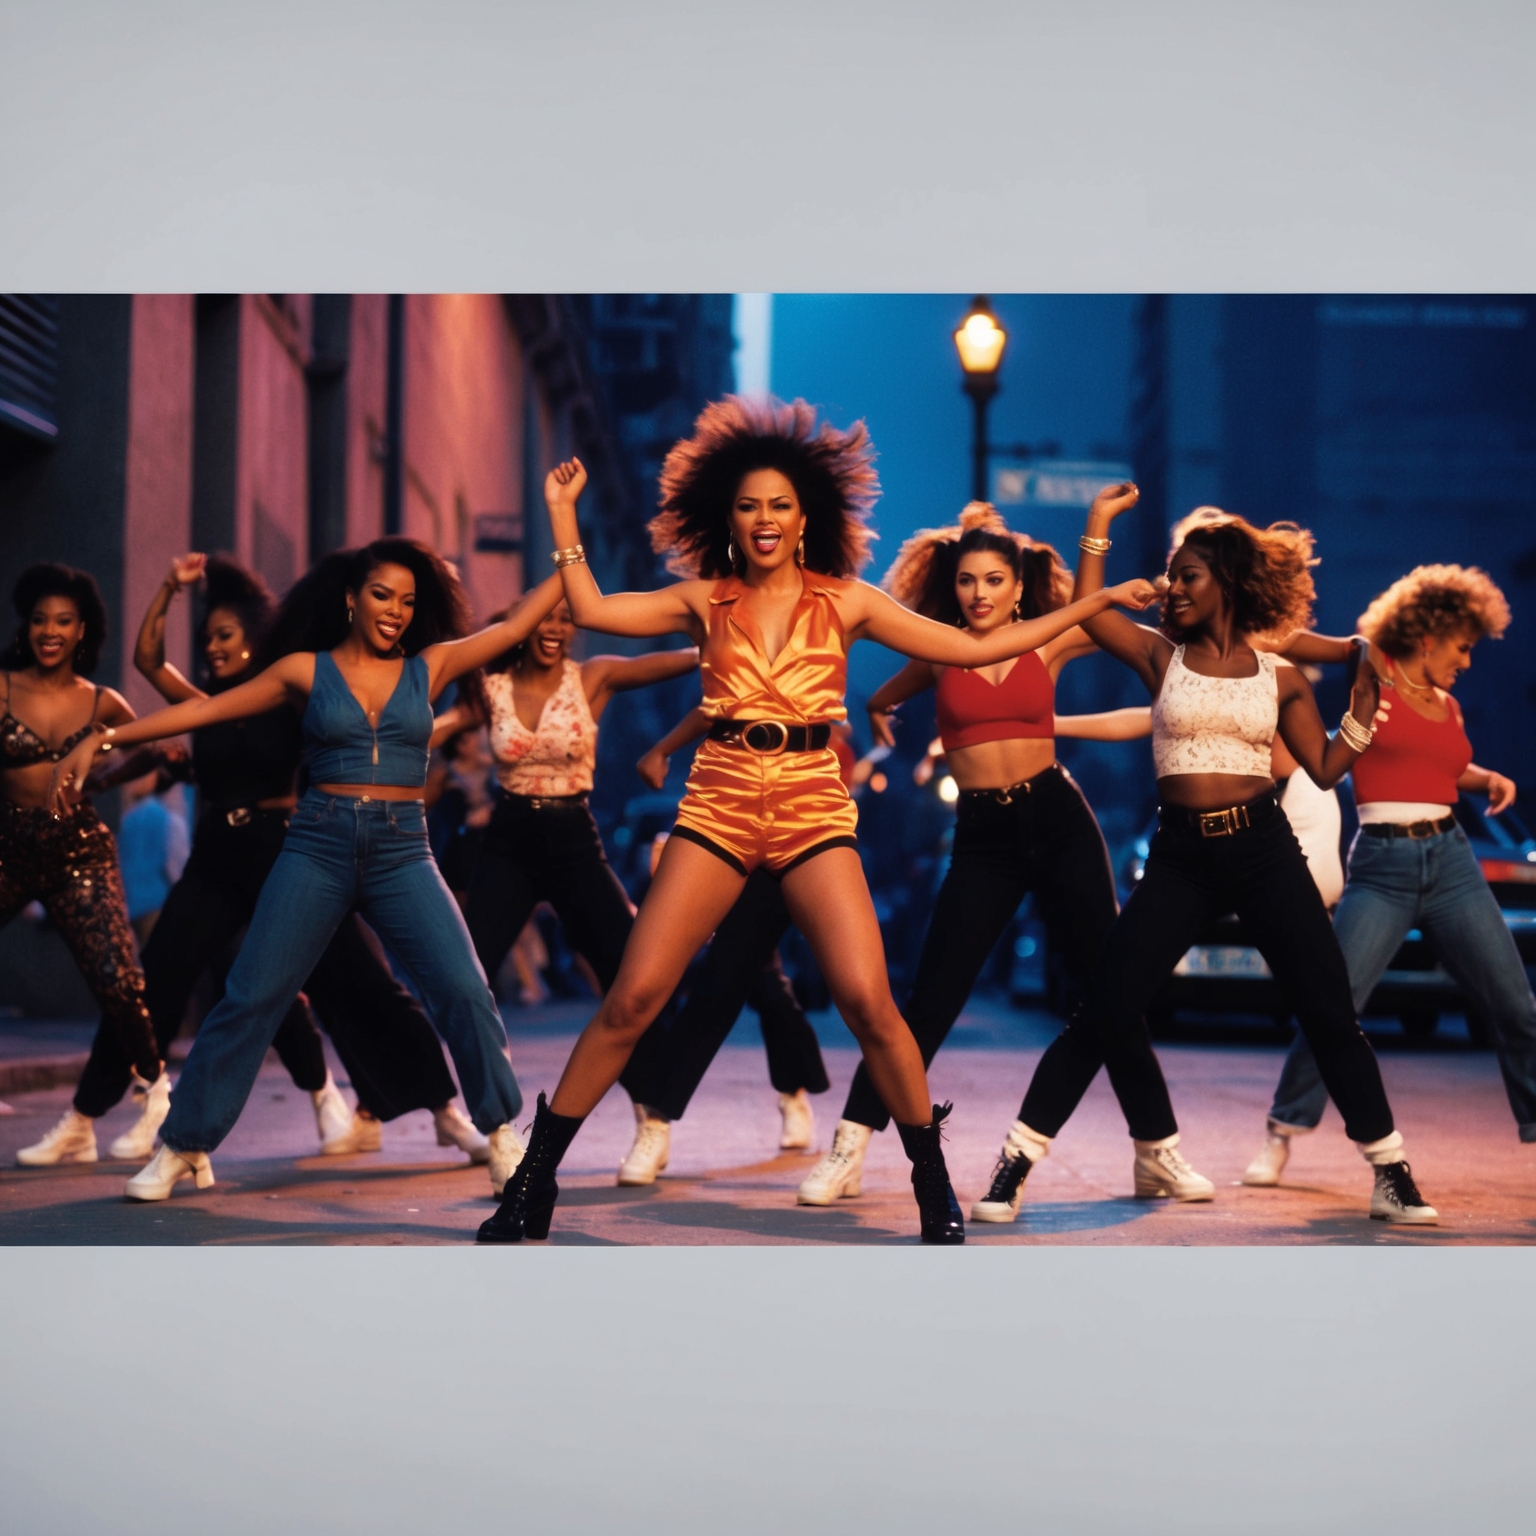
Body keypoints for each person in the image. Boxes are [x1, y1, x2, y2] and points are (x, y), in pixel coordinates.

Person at [477, 396, 1162, 1245]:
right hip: (721, 796)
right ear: (728, 517)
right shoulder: (704, 599)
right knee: (635, 997)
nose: (764, 520)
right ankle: (534, 1184)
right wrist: (559, 513)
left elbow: (980, 649)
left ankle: (929, 1183)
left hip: (809, 801)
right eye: (749, 506)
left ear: (805, 518)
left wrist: (1083, 610)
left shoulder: (848, 602)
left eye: (780, 506)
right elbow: (590, 607)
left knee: (872, 1003)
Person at [51, 539, 565, 1202]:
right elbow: (206, 708)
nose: (396, 612)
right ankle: (181, 1145)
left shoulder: (429, 666)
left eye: (408, 601)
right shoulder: (303, 670)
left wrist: (562, 526)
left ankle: (501, 1136)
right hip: (317, 846)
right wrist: (108, 735)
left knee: (464, 988)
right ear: (351, 599)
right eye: (382, 595)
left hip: (402, 850)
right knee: (253, 993)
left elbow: (518, 624)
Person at [1006, 488, 1437, 1225]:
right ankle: (1015, 1164)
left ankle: (1391, 1171)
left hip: (1264, 849)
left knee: (1329, 1012)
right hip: (1180, 855)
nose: (1173, 588)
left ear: (1228, 585)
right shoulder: (1157, 654)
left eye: (1188, 576)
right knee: (1105, 1009)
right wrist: (1100, 526)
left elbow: (1328, 768)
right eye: (1171, 576)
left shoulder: (1281, 676)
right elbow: (1092, 610)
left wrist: (1362, 712)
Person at [787, 503, 1147, 1218]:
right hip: (981, 837)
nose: (979, 594)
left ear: (1019, 587)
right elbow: (886, 693)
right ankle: (850, 1145)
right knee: (928, 1001)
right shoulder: (938, 649)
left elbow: (1099, 617)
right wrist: (883, 712)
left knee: (1107, 988)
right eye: (966, 582)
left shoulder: (1048, 640)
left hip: (1058, 819)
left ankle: (1155, 1146)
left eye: (993, 581)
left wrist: (1098, 525)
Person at [1244, 563, 1536, 1182]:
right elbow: (1285, 640)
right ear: (1429, 635)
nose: (1468, 661)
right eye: (1463, 646)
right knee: (1335, 1003)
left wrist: (1486, 779)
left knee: (1516, 1005)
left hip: (1452, 860)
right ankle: (1282, 1130)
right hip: (1383, 866)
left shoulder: (1450, 706)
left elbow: (1442, 767)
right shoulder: (1373, 670)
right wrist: (1270, 629)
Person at [453, 594, 700, 1164]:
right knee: (465, 977)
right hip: (509, 838)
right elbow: (437, 724)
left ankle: (651, 1117)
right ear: (521, 626)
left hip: (573, 840)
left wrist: (721, 639)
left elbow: (682, 659)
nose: (555, 629)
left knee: (628, 975)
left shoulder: (593, 677)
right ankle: (491, 1123)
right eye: (544, 619)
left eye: (565, 620)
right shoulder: (491, 687)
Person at [605, 708, 840, 1184]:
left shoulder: (824, 706)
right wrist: (663, 750)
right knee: (748, 981)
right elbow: (708, 723)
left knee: (736, 979)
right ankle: (669, 1117)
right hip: (725, 838)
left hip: (798, 847)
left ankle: (662, 1116)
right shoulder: (733, 670)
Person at [6, 564, 166, 1169]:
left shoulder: (102, 701)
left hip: (79, 851)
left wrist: (101, 777)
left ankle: (156, 1094)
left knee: (117, 977)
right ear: (28, 626)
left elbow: (149, 745)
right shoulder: (2, 688)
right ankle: (85, 1128)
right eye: (41, 619)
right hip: (10, 850)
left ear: (82, 632)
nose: (51, 631)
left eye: (64, 621)